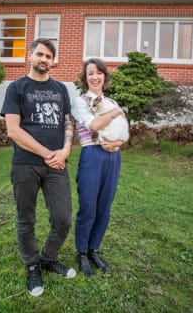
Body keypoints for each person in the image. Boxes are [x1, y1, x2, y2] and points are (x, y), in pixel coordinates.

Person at [0, 38, 76, 297]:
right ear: (30, 56)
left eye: (49, 56)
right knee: (26, 219)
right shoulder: (16, 88)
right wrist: (47, 154)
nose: (44, 59)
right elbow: (13, 130)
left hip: (57, 163)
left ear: (53, 61)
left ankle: (48, 257)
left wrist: (65, 150)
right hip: (26, 165)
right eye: (40, 54)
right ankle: (32, 265)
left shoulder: (61, 89)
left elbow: (68, 122)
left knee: (63, 218)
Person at [71, 58, 128, 277]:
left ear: (104, 76)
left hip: (113, 157)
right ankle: (81, 253)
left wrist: (116, 143)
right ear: (85, 79)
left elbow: (124, 132)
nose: (95, 77)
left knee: (104, 207)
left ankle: (94, 250)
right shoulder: (81, 102)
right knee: (88, 207)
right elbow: (93, 125)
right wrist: (115, 113)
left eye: (99, 73)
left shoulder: (111, 101)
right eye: (90, 73)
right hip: (91, 154)